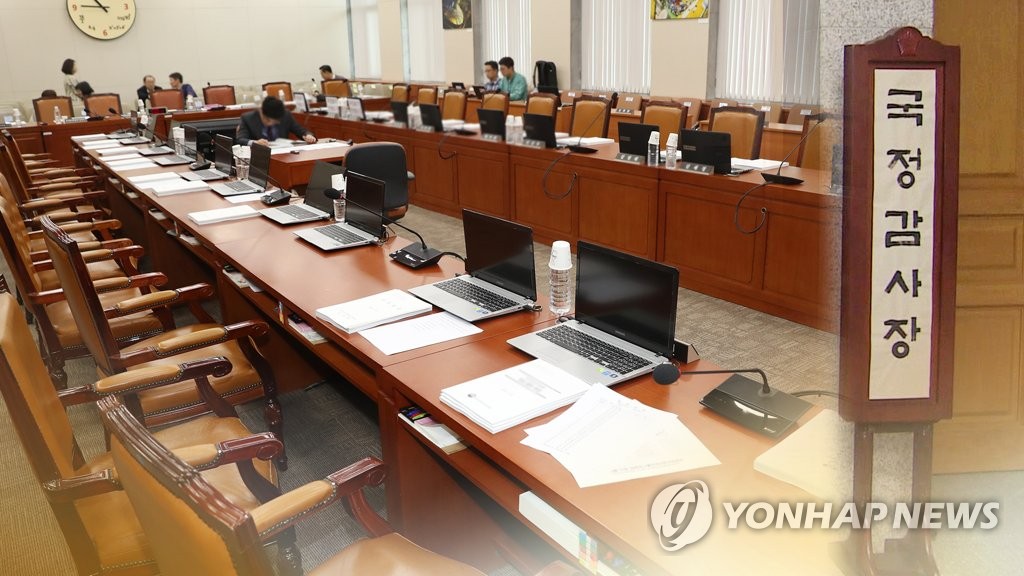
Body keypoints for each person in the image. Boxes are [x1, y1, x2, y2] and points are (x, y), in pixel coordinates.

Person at [236, 96, 316, 146]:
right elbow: (240, 140)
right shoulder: (248, 118)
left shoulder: (285, 115)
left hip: (282, 155)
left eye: (275, 122)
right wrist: (255, 143)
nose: (271, 124)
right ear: (262, 112)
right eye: (268, 120)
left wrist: (308, 135)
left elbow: (300, 131)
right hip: (260, 157)